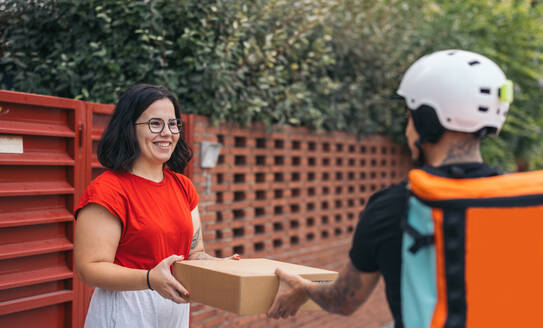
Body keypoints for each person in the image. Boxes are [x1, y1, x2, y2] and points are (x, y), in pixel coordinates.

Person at [267, 49, 513, 327]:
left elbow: (345, 300)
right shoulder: (516, 202)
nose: (408, 129)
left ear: (427, 121)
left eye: (409, 117)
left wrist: (303, 288)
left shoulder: (395, 206)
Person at [74, 84, 239, 328]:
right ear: (129, 129)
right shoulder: (108, 190)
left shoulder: (183, 186)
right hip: (126, 308)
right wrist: (150, 279)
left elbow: (194, 253)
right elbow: (89, 268)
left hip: (174, 304)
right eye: (155, 124)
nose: (167, 133)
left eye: (173, 124)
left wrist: (219, 266)